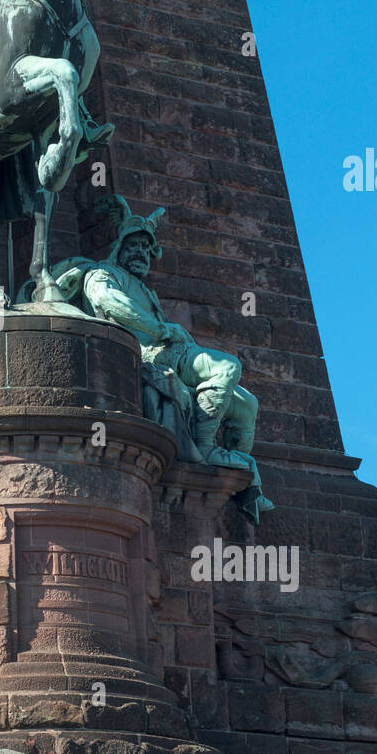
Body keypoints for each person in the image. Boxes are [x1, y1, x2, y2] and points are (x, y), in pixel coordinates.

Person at [54, 197, 273, 519]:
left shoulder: (146, 289)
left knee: (247, 404)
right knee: (227, 366)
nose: (141, 252)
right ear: (120, 248)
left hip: (169, 350)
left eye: (146, 248)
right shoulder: (102, 274)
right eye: (134, 246)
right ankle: (207, 448)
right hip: (149, 354)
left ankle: (241, 476)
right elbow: (110, 303)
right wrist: (159, 328)